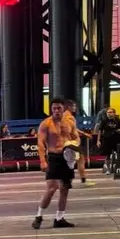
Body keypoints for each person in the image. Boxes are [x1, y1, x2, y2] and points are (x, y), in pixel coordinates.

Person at [33, 97, 80, 230]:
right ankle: (39, 217)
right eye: (54, 108)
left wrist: (74, 146)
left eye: (59, 108)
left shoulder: (70, 122)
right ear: (51, 109)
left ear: (63, 108)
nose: (57, 110)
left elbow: (76, 137)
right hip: (53, 157)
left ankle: (59, 218)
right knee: (51, 188)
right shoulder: (46, 124)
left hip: (67, 157)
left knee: (64, 189)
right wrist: (42, 160)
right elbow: (40, 143)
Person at [94, 107, 120, 174]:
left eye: (110, 112)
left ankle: (119, 168)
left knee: (119, 154)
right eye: (108, 112)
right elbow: (100, 131)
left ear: (114, 113)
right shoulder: (104, 121)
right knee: (107, 156)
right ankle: (108, 169)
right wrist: (98, 140)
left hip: (116, 140)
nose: (109, 114)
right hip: (107, 140)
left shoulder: (118, 120)